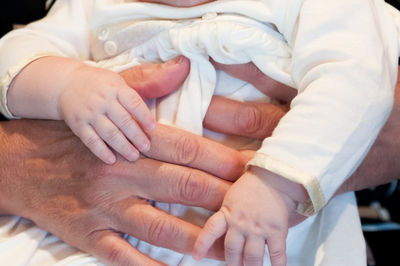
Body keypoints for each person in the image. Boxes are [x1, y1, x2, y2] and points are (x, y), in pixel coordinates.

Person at [1, 0, 400, 266]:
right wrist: (65, 82)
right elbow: (16, 50)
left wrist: (277, 183)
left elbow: (357, 77)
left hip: (260, 235)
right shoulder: (97, 6)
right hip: (93, 239)